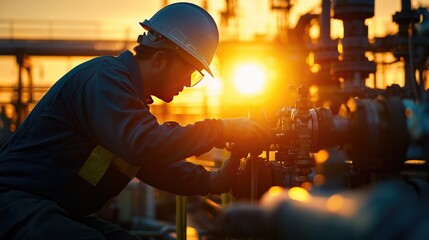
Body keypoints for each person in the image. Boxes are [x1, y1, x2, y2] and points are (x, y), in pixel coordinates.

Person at [0, 2, 271, 240]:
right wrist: (221, 128)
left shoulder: (127, 101)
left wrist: (210, 181)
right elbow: (143, 144)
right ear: (160, 59)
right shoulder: (105, 80)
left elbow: (151, 164)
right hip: (15, 205)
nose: (188, 84)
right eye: (189, 72)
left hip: (53, 209)